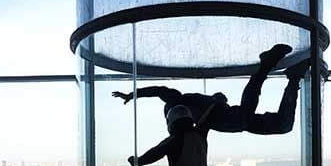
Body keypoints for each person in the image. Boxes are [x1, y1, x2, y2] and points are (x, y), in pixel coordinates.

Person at [112, 43, 311, 135]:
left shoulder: (178, 101)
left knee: (260, 115)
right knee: (283, 125)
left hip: (234, 122)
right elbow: (159, 90)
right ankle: (291, 76)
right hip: (235, 121)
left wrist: (132, 95)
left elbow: (158, 90)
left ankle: (272, 67)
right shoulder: (190, 107)